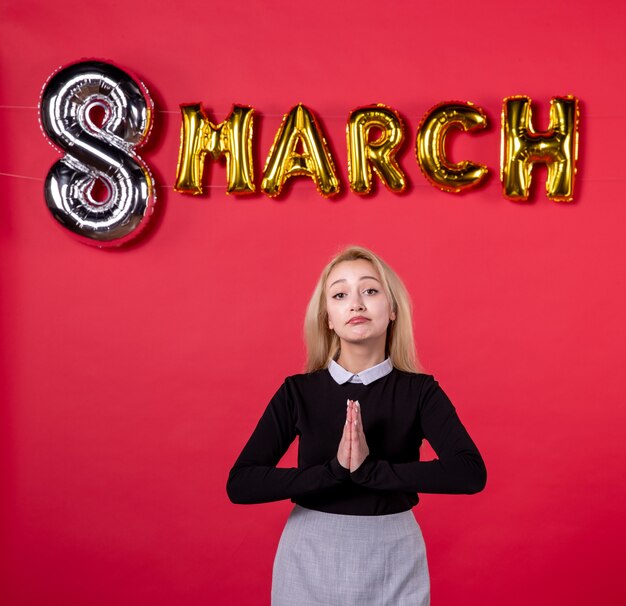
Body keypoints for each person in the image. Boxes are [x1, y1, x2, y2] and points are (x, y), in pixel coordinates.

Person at [226, 245, 487, 606]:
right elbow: (241, 484)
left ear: (392, 309)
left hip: (393, 551)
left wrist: (371, 471)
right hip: (311, 551)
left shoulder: (420, 392)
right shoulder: (298, 392)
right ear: (328, 318)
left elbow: (470, 473)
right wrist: (333, 472)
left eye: (370, 290)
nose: (356, 303)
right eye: (340, 294)